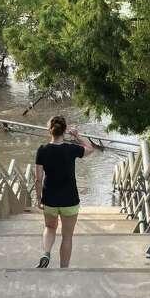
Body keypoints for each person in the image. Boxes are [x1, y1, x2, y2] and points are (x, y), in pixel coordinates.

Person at [34, 115, 95, 268]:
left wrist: (38, 198)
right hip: (70, 199)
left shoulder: (42, 150)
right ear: (64, 130)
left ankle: (46, 253)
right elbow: (90, 149)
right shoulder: (71, 149)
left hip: (50, 199)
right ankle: (64, 269)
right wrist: (77, 136)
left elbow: (38, 178)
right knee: (67, 236)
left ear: (50, 130)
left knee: (49, 227)